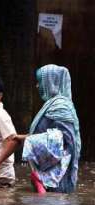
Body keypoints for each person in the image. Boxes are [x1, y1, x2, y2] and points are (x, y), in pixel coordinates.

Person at [14, 64, 81, 194]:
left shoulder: (60, 106)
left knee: (55, 204)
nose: (37, 86)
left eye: (40, 82)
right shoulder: (52, 104)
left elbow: (65, 139)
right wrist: (23, 137)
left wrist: (31, 141)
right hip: (49, 170)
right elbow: (45, 132)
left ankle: (40, 181)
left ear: (50, 83)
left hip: (59, 172)